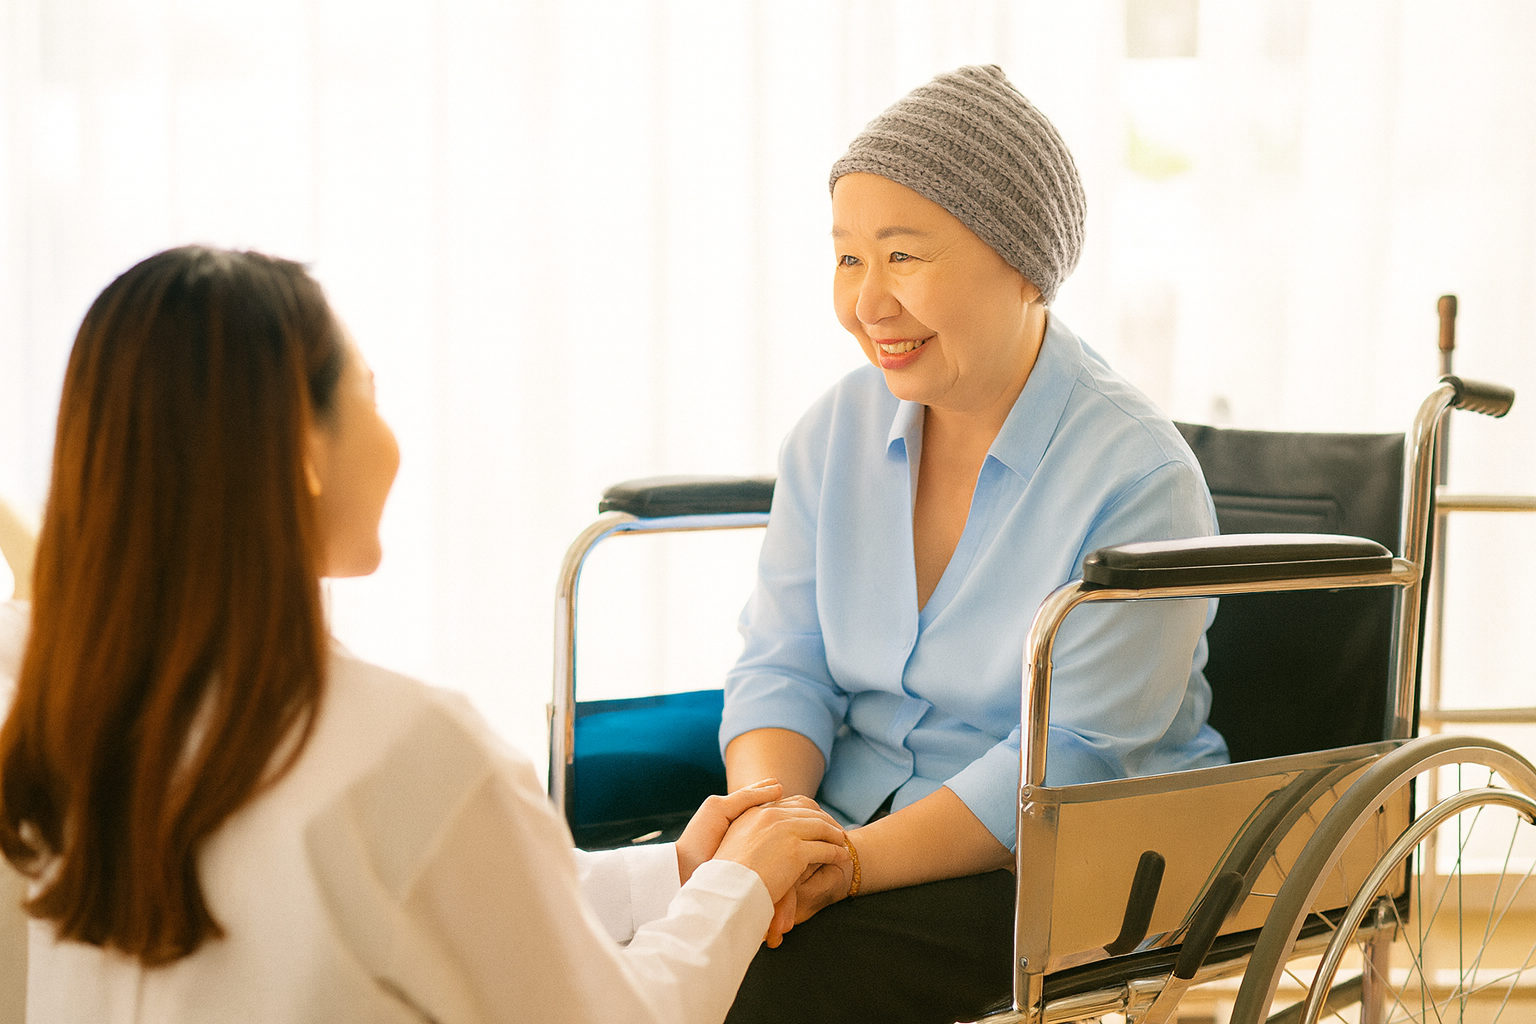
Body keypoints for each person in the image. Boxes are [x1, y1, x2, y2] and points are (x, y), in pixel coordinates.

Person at [0, 246, 847, 1023]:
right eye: (368, 393)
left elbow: (428, 906)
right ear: (304, 444)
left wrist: (672, 873)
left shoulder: (62, 728)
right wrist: (739, 887)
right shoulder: (404, 751)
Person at [719, 65, 1230, 1022]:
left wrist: (844, 865)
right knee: (620, 927)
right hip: (847, 816)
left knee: (762, 979)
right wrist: (768, 819)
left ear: (1026, 266)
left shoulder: (1137, 481)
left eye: (903, 257)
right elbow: (783, 664)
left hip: (1057, 859)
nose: (867, 304)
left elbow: (1069, 762)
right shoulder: (831, 436)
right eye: (846, 259)